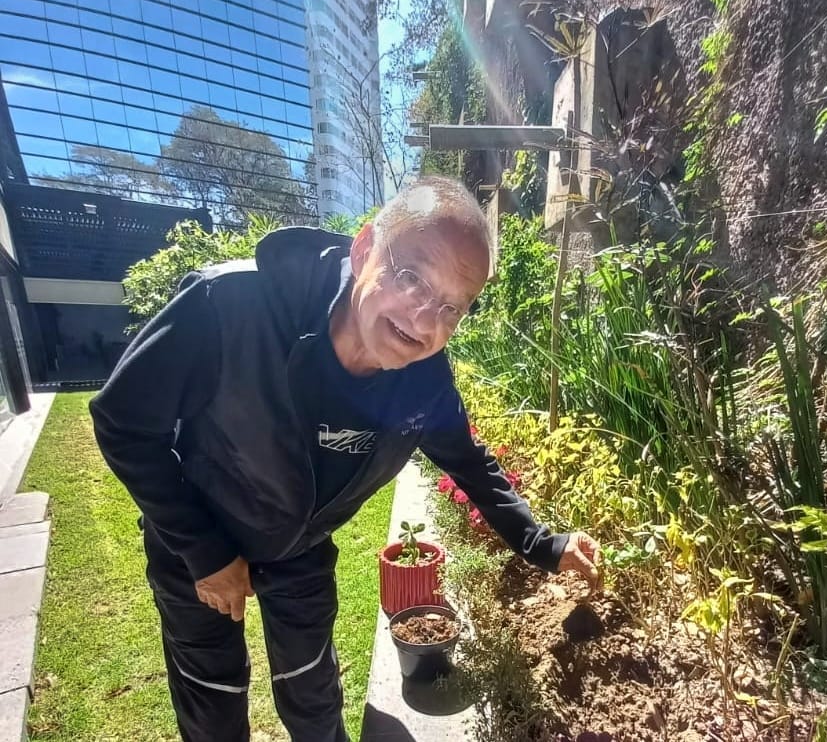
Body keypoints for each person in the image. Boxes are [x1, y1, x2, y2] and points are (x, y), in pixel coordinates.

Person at [90, 175, 602, 742]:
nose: (425, 322)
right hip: (196, 535)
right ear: (363, 251)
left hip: (301, 546)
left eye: (452, 308)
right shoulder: (229, 306)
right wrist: (205, 552)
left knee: (314, 697)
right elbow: (123, 422)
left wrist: (544, 544)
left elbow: (470, 462)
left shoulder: (424, 381)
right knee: (212, 699)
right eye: (411, 278)